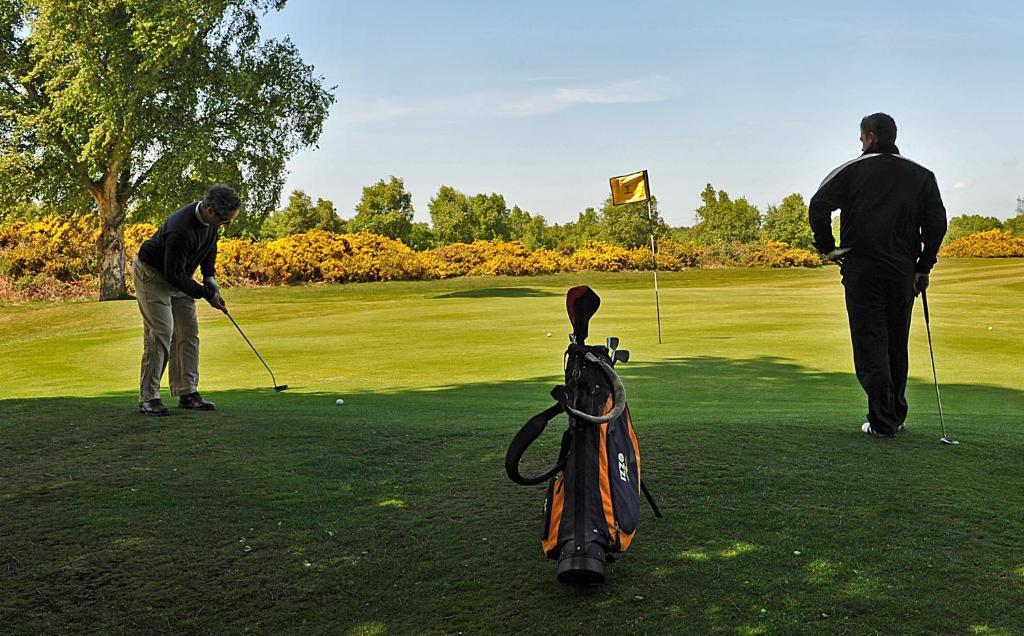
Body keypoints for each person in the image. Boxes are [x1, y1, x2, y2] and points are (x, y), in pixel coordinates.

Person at [808, 113, 947, 438]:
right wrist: (923, 265)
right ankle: (894, 415)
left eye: (861, 139)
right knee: (896, 344)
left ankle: (883, 422)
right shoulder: (921, 175)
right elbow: (937, 224)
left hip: (862, 271)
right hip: (902, 273)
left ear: (870, 137)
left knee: (871, 342)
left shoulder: (851, 171)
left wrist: (828, 248)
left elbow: (818, 206)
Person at [132, 185, 241, 416]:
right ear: (210, 210)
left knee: (188, 333)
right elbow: (173, 274)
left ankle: (187, 392)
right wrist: (206, 294)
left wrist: (210, 278)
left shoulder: (212, 224)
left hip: (180, 275)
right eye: (223, 221)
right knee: (162, 332)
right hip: (153, 275)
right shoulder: (181, 229)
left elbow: (209, 247)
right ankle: (149, 397)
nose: (224, 225)